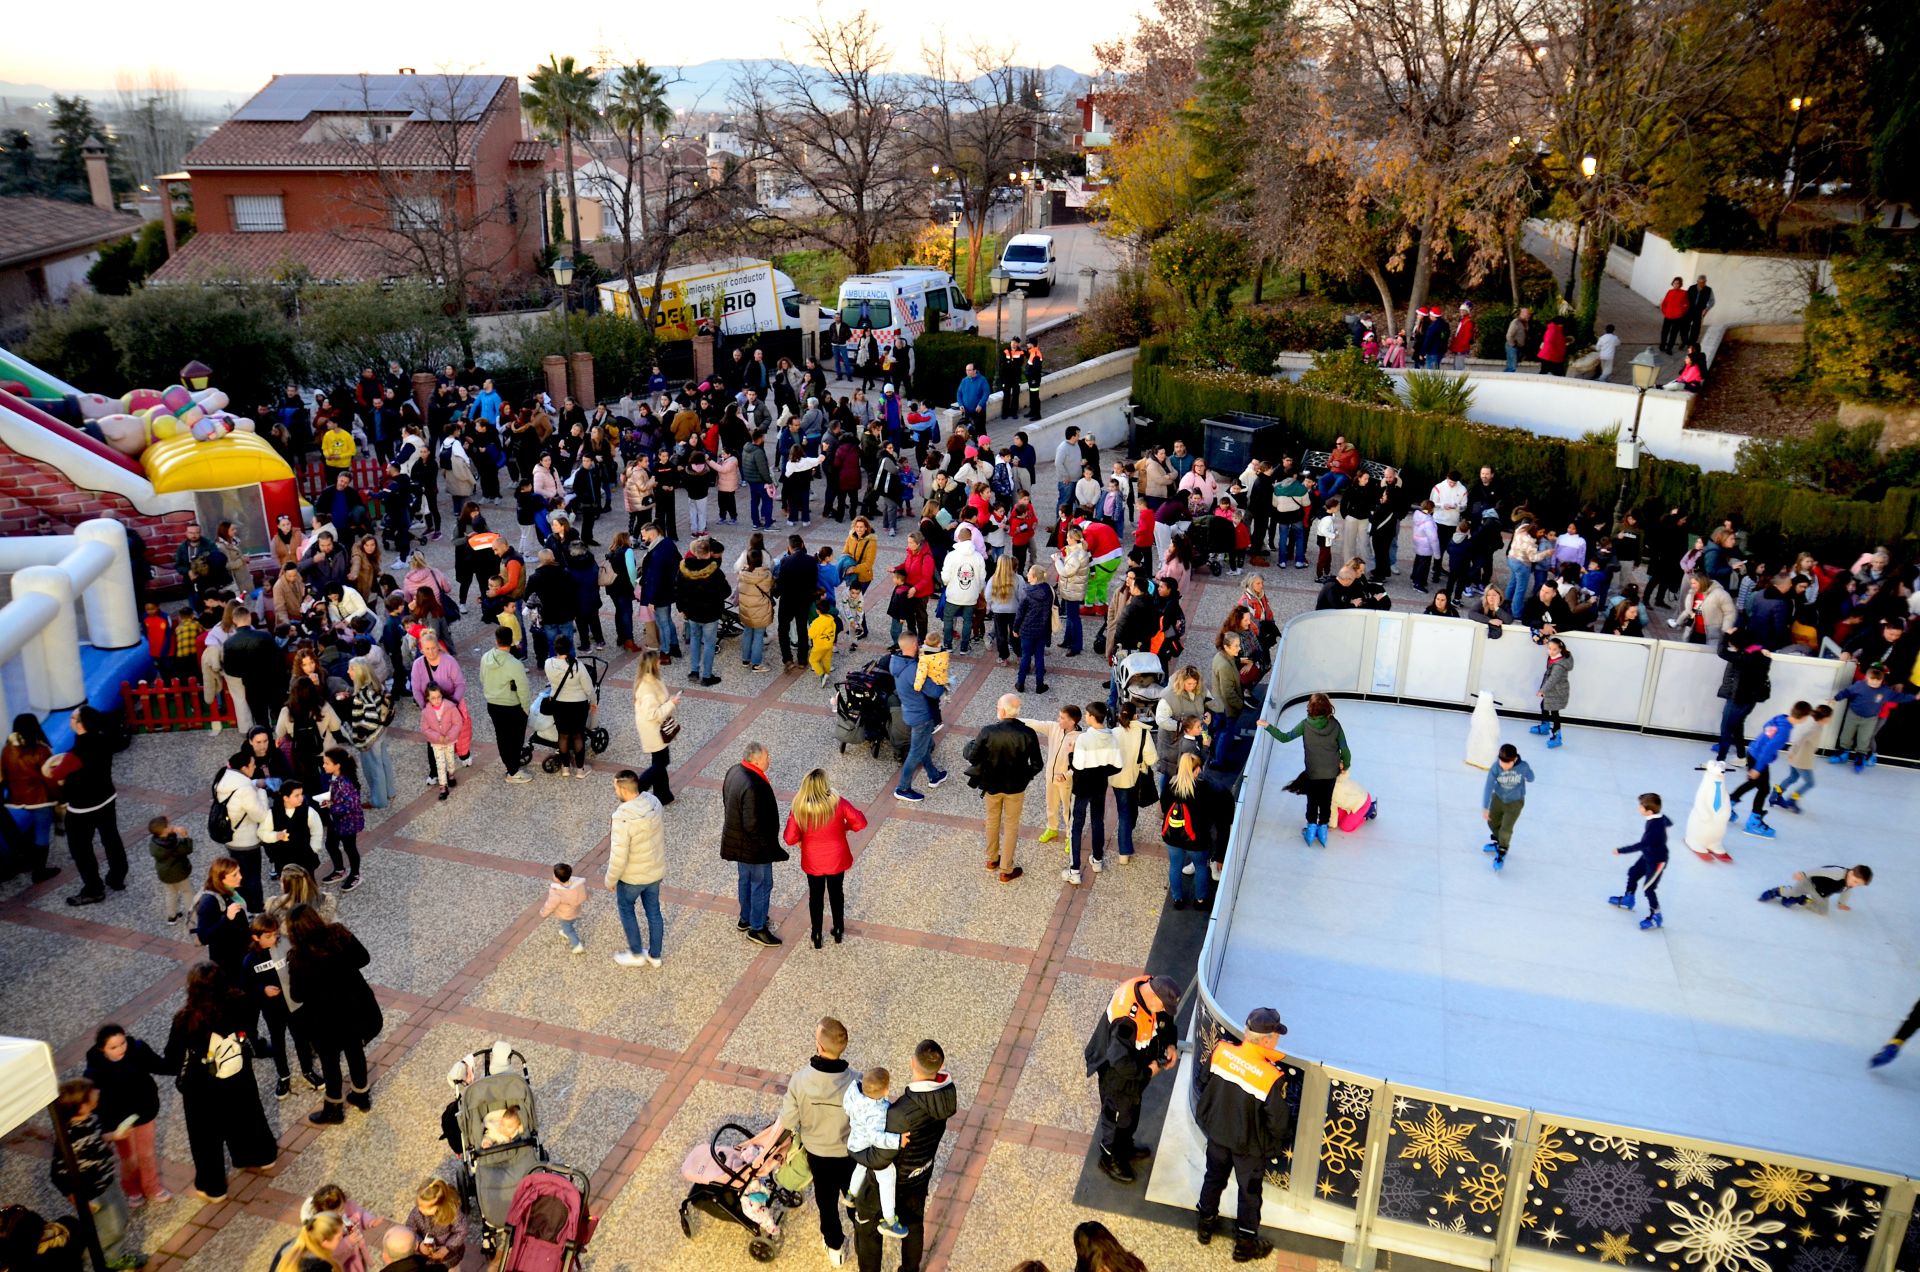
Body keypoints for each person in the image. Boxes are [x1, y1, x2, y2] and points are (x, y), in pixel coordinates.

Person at [164, 962, 277, 1201]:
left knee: (205, 1135)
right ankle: (259, 1156)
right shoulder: (239, 1001)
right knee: (248, 1114)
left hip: (203, 1084)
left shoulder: (186, 1019)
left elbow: (172, 1057)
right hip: (237, 1070)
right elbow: (248, 1028)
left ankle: (214, 1185)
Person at [1193, 1006, 1291, 1264]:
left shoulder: (1221, 1051)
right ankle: (1245, 1244)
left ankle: (1205, 1226)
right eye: (1277, 1034)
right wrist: (1275, 1144)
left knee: (1213, 1178)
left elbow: (1202, 1081)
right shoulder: (1271, 1075)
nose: (1278, 1039)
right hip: (1248, 1148)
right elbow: (1278, 1123)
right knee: (1249, 1193)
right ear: (1268, 1040)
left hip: (1216, 1134)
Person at [848, 1039, 956, 1272]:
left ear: (912, 1063)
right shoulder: (947, 1093)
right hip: (921, 1174)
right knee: (914, 1225)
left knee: (866, 1230)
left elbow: (880, 1158)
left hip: (892, 1183)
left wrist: (857, 1154)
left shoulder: (899, 1113)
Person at [285, 904, 382, 1125]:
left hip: (324, 1020)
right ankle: (361, 1096)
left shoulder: (299, 957)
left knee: (330, 1063)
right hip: (354, 1009)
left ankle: (334, 1108)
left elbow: (297, 995)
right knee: (355, 1051)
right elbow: (364, 959)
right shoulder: (339, 934)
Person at [776, 1017, 858, 1265]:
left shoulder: (800, 1081)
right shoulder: (857, 1081)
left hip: (818, 1156)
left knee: (826, 1202)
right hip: (849, 1153)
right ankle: (864, 1233)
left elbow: (788, 1120)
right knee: (854, 1196)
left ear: (819, 1047)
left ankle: (835, 1248)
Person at [1083, 976, 1179, 1184]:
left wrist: (1170, 1043)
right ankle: (1110, 1158)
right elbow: (1120, 1061)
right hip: (1118, 1076)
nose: (1164, 1010)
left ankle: (1125, 1147)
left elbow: (1165, 1019)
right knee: (1116, 1117)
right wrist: (1147, 1072)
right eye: (1163, 1005)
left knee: (1131, 1112)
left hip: (1136, 1067)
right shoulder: (1126, 1020)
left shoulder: (1150, 986)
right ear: (1154, 996)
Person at [49, 1077, 147, 1271]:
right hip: (92, 1192)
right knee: (111, 1227)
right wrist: (74, 1196)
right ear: (81, 1106)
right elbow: (57, 1173)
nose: (98, 1092)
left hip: (107, 1180)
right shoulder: (69, 1137)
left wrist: (112, 1136)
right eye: (92, 1092)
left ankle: (113, 1256)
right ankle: (90, 1256)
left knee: (121, 1217)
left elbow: (95, 1140)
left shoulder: (91, 1119)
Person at [82, 1025, 171, 1211]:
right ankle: (131, 1188)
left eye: (122, 1043)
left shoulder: (138, 1050)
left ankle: (152, 1186)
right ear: (102, 1049)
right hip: (118, 1120)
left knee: (146, 1154)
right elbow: (94, 1101)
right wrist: (107, 1128)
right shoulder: (96, 1069)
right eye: (113, 1047)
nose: (121, 1049)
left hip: (144, 1111)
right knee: (129, 1158)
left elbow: (159, 1065)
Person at [51, 706, 128, 907]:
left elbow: (55, 775)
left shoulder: (74, 755)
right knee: (111, 838)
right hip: (107, 798)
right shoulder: (104, 740)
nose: (71, 719)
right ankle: (117, 876)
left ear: (79, 725)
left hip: (82, 808)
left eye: (73, 717)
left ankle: (93, 889)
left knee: (81, 850)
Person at [964, 694, 1045, 883]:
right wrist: (1025, 777)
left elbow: (973, 757)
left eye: (997, 705)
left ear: (1002, 710)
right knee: (1011, 826)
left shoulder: (988, 731)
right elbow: (1037, 764)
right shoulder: (1028, 733)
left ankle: (992, 859)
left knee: (992, 820)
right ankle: (1006, 869)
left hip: (991, 785)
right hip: (1015, 787)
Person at [786, 768, 868, 949]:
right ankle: (838, 929)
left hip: (813, 860)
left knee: (815, 897)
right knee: (836, 893)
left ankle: (816, 933)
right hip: (837, 859)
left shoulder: (799, 808)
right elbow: (860, 822)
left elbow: (789, 838)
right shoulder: (838, 803)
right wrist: (845, 828)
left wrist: (802, 838)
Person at [1256, 694, 1351, 846]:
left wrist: (1267, 726)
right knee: (1326, 801)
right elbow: (1345, 750)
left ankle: (1311, 830)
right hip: (1331, 773)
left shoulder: (1305, 725)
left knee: (1312, 801)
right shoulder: (1336, 725)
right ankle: (1323, 831)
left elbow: (1284, 737)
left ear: (1311, 710)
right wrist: (1344, 765)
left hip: (1313, 773)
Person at [242, 912, 316, 1102]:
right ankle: (283, 1076)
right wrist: (262, 990)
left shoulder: (286, 944)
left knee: (301, 1038)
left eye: (275, 934)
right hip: (272, 1009)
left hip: (294, 1003)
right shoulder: (250, 960)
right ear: (255, 937)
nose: (274, 938)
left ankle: (308, 1071)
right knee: (278, 1043)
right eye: (268, 936)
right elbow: (246, 986)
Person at [722, 742, 785, 946]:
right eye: (767, 757)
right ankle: (757, 928)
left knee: (745, 880)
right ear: (756, 760)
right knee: (762, 884)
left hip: (738, 841)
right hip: (754, 847)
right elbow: (753, 824)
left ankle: (746, 917)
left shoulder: (734, 771)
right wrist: (767, 847)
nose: (770, 760)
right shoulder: (753, 784)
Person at [606, 768, 667, 967]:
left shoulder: (622, 817)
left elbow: (619, 855)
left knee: (626, 908)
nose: (614, 792)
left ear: (623, 790)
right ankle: (655, 956)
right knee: (654, 912)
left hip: (632, 877)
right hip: (654, 871)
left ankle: (636, 953)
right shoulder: (654, 803)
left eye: (615, 788)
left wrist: (611, 879)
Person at [843, 1068, 908, 1240]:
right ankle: (889, 1220)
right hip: (865, 1148)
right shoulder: (878, 1111)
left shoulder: (854, 1094)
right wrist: (897, 1140)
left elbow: (847, 1108)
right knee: (887, 1176)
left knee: (861, 1165)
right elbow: (876, 1137)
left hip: (854, 1144)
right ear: (886, 1090)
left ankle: (851, 1193)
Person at [1064, 702, 1122, 886]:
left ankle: (1074, 870)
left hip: (1082, 787)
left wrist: (1071, 754)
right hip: (1100, 786)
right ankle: (1097, 859)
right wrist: (1101, 772)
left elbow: (1078, 766)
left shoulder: (1084, 739)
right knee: (1098, 821)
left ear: (1091, 717)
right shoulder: (1111, 737)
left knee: (1076, 826)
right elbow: (1117, 765)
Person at [3, 714, 61, 885]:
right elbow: (50, 778)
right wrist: (60, 797)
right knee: (42, 834)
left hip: (18, 798)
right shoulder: (40, 750)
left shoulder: (8, 750)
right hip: (40, 798)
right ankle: (40, 871)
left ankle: (26, 860)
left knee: (33, 830)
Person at [890, 633, 947, 802]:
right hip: (922, 716)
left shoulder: (896, 662)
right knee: (916, 751)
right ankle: (902, 788)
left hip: (909, 710)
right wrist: (942, 679)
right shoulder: (914, 670)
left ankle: (933, 775)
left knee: (924, 745)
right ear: (914, 644)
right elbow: (935, 691)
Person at [1608, 793, 1673, 930]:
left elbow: (1641, 845)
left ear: (1649, 811)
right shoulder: (1657, 817)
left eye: (1641, 807)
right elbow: (1667, 821)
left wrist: (1620, 850)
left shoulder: (1654, 830)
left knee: (1648, 888)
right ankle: (1628, 899)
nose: (1638, 808)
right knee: (1633, 873)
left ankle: (1656, 916)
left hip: (1657, 861)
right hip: (1648, 855)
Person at [478, 626, 534, 785]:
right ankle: (513, 771)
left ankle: (509, 764)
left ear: (496, 640)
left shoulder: (485, 657)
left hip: (493, 704)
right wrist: (526, 708)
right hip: (512, 706)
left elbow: (482, 679)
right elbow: (523, 689)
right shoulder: (514, 664)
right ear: (511, 642)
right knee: (516, 739)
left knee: (502, 736)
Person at [1831, 664, 1913, 770]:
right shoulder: (1859, 685)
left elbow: (1899, 697)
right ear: (1867, 677)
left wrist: (1913, 697)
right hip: (1853, 714)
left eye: (1878, 680)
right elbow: (1847, 692)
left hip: (1870, 719)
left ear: (1882, 679)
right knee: (1846, 734)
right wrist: (1836, 698)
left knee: (1864, 739)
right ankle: (1842, 753)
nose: (1875, 682)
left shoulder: (1885, 690)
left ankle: (1860, 756)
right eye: (1872, 679)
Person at [1160, 753, 1212, 909]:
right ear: (1194, 770)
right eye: (1198, 768)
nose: (1200, 771)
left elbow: (1164, 808)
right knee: (1201, 866)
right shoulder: (1202, 788)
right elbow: (1208, 814)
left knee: (1175, 865)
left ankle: (1177, 899)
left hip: (1173, 836)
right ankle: (1200, 900)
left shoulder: (1170, 786)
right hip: (1196, 838)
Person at [631, 650, 680, 804]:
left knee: (659, 762)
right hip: (653, 730)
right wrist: (671, 704)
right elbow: (654, 714)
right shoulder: (648, 690)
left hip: (654, 729)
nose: (660, 663)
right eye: (658, 661)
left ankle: (663, 795)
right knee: (661, 763)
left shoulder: (649, 680)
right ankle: (638, 788)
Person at [191, 856, 252, 974]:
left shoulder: (231, 890)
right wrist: (226, 919)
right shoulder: (209, 901)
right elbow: (204, 937)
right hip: (228, 959)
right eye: (234, 875)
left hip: (241, 950)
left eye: (239, 871)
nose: (240, 876)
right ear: (221, 879)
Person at [1481, 743, 1534, 871]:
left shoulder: (1523, 767)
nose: (1503, 766)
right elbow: (1488, 785)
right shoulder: (1496, 767)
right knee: (1492, 823)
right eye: (1501, 762)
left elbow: (1531, 778)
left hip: (1515, 803)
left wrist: (1527, 775)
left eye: (1507, 763)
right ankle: (1500, 842)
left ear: (1515, 759)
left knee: (1506, 829)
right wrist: (1485, 807)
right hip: (1498, 799)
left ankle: (1502, 850)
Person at [319, 748, 365, 890]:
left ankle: (355, 874)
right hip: (336, 821)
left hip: (348, 823)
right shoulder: (332, 777)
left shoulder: (345, 783)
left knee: (350, 848)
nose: (324, 766)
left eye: (327, 763)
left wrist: (331, 806)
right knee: (331, 845)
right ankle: (339, 870)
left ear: (337, 765)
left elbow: (351, 805)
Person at [1759, 864, 1872, 914]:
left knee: (1823, 911)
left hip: (1821, 893)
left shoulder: (1850, 884)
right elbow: (1819, 871)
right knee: (1793, 891)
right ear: (1851, 873)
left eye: (1859, 885)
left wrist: (1841, 903)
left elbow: (1846, 892)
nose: (1855, 885)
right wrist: (1803, 874)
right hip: (1809, 882)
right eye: (1855, 881)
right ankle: (1776, 891)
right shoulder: (1838, 873)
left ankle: (1802, 900)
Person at [404, 1177, 466, 1266]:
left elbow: (461, 1230)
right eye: (419, 1205)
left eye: (427, 1208)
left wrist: (447, 1248)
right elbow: (410, 1229)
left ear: (440, 1204)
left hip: (450, 1255)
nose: (421, 1210)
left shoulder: (451, 1213)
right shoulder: (416, 1213)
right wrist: (419, 1244)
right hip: (426, 1256)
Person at [146, 814, 194, 925]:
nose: (171, 825)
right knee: (187, 892)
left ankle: (172, 917)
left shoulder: (154, 842)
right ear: (164, 830)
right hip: (179, 873)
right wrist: (185, 836)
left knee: (171, 893)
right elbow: (187, 849)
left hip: (164, 874)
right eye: (169, 825)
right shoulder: (173, 845)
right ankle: (192, 916)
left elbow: (168, 836)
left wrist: (172, 831)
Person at [419, 684, 462, 801]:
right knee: (440, 764)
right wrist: (438, 737)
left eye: (438, 697)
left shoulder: (450, 707)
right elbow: (424, 728)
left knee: (450, 760)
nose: (436, 700)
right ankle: (443, 787)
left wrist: (449, 736)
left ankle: (451, 774)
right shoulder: (426, 712)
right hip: (436, 742)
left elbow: (458, 723)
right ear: (428, 698)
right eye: (433, 698)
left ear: (442, 695)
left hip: (449, 740)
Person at [1533, 636, 1572, 748]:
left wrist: (1542, 690)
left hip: (1558, 691)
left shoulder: (1559, 664)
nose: (1551, 651)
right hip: (1552, 689)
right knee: (1543, 705)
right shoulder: (1553, 657)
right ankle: (1545, 726)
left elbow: (1552, 679)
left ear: (1560, 649)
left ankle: (1557, 736)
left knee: (1555, 712)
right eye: (1549, 648)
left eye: (1554, 649)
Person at [542, 861, 588, 955]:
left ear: (557, 879)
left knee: (568, 929)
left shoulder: (557, 892)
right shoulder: (577, 883)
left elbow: (550, 904)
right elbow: (585, 893)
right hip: (575, 910)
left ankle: (577, 945)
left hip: (565, 914)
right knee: (570, 921)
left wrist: (544, 912)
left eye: (554, 874)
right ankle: (566, 929)